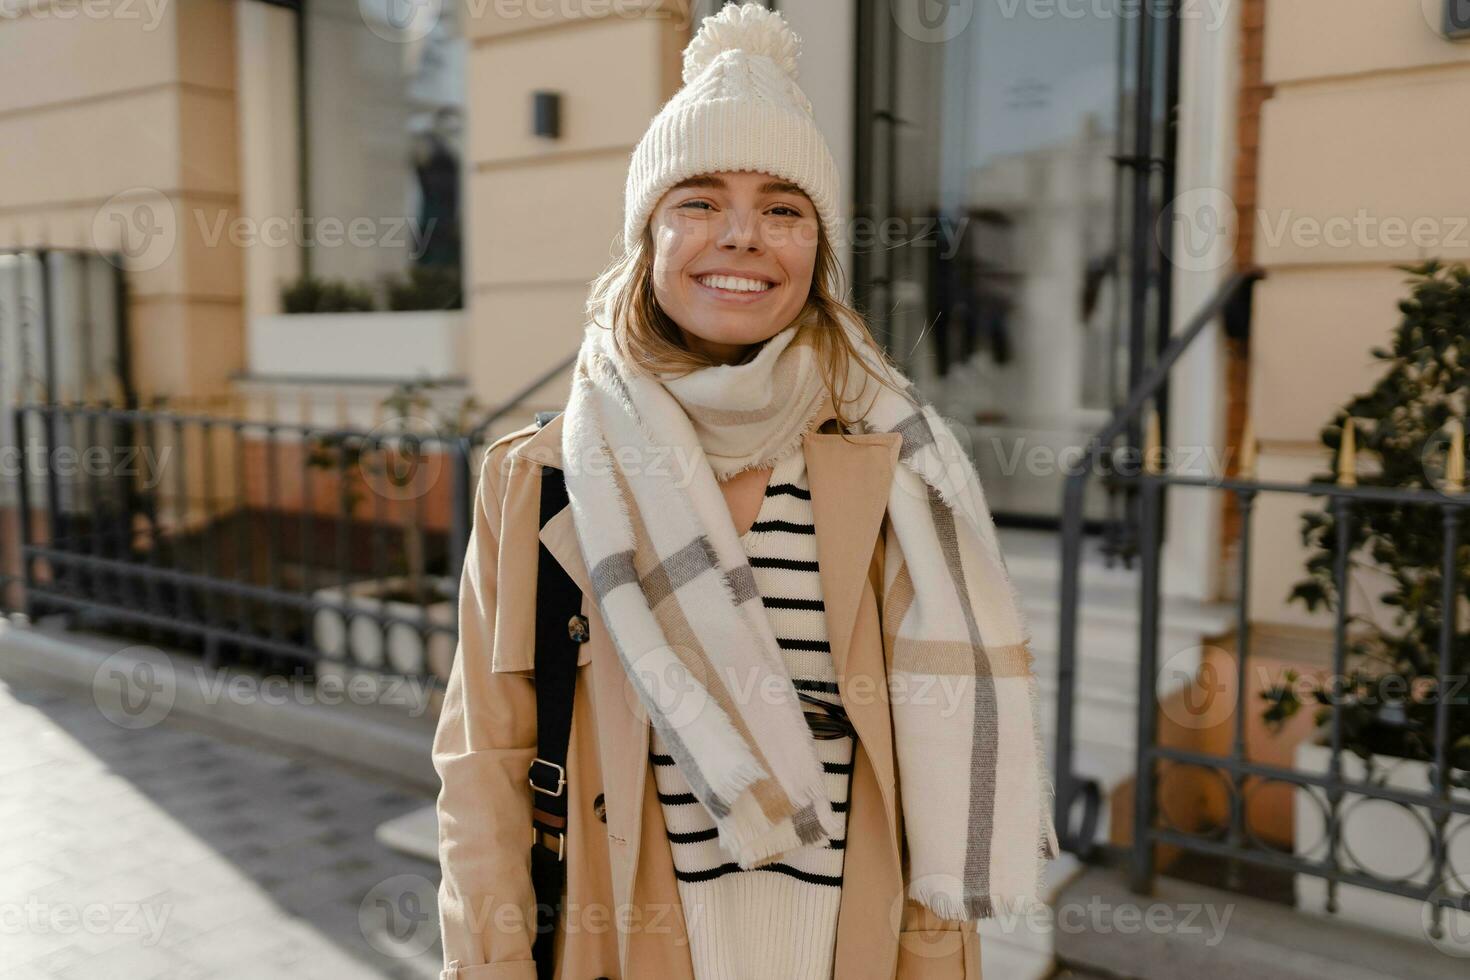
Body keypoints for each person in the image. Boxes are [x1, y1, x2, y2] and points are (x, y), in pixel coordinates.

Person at [432, 5, 1059, 979]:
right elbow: (483, 765)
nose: (743, 236)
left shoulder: (900, 470)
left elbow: (924, 772)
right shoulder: (541, 479)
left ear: (817, 247)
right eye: (699, 200)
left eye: (782, 206)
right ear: (648, 234)